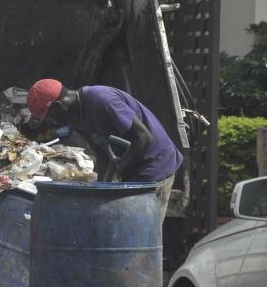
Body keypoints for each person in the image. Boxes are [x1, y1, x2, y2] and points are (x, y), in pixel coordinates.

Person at [27, 79, 183, 220]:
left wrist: (119, 170)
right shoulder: (75, 117)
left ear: (58, 106)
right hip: (134, 167)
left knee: (144, 235)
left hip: (155, 165)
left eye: (49, 116)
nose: (51, 120)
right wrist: (100, 189)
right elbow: (101, 153)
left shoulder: (102, 100)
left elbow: (143, 137)